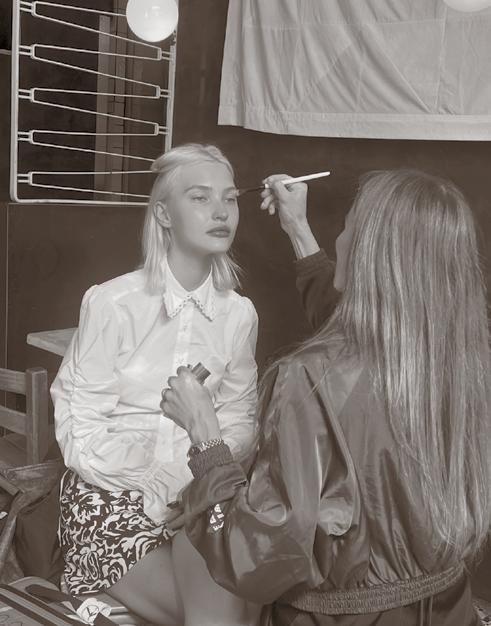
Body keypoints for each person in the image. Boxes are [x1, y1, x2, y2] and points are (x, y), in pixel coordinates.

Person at [162, 169, 491, 626]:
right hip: (449, 608)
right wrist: (298, 229)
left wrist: (205, 438)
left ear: (370, 254)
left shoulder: (306, 379)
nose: (339, 241)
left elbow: (256, 559)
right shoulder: (461, 360)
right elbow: (362, 338)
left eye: (347, 228)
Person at [50, 143, 260, 626]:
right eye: (200, 198)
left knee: (242, 600)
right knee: (227, 614)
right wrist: (148, 475)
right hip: (110, 494)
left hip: (199, 491)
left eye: (230, 199)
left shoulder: (239, 315)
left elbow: (240, 419)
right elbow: (79, 424)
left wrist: (188, 479)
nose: (221, 212)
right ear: (163, 214)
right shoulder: (112, 303)